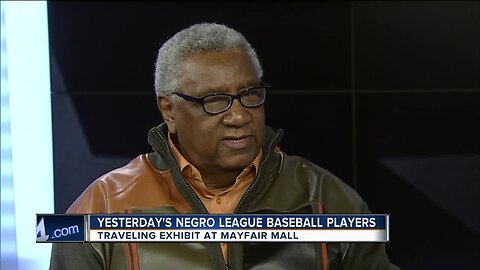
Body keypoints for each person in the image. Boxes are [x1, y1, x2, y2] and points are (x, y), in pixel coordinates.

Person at [50, 22, 398, 269]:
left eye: (249, 94)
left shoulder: (327, 198)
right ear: (168, 108)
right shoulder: (102, 207)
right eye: (215, 100)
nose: (238, 116)